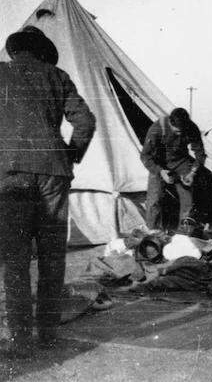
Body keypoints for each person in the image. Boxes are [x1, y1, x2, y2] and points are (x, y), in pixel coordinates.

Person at [0, 26, 96, 358]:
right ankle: (49, 335)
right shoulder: (57, 75)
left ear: (13, 50)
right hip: (55, 174)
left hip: (11, 176)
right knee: (52, 259)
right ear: (41, 51)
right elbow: (86, 122)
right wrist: (69, 155)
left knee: (15, 262)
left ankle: (21, 341)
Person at [141, 108, 206, 230]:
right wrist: (160, 172)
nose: (180, 135)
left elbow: (200, 154)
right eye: (177, 132)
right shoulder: (157, 128)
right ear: (170, 123)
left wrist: (192, 173)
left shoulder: (192, 128)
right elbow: (145, 156)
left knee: (188, 201)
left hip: (181, 162)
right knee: (154, 200)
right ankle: (151, 233)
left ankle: (185, 233)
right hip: (159, 164)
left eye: (182, 132)